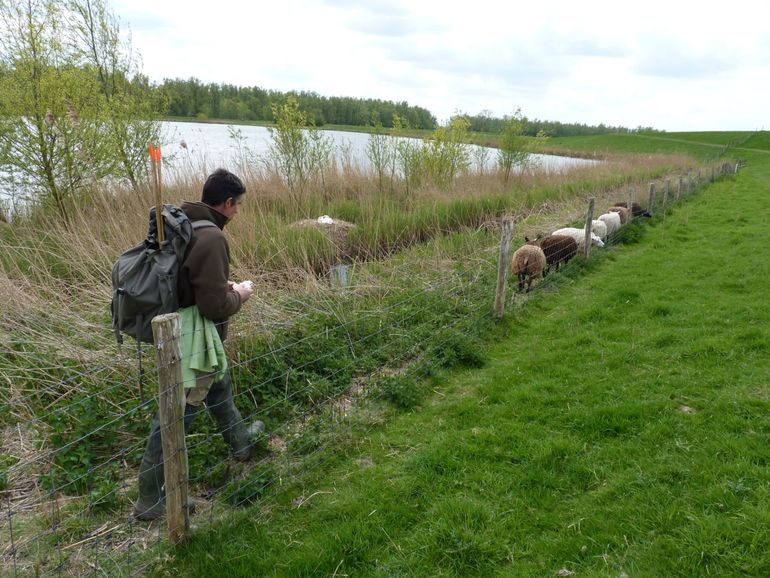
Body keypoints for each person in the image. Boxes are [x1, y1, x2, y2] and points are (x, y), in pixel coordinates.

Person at [133, 168, 255, 521]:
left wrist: (221, 284)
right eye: (238, 205)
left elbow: (188, 281)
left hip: (177, 328)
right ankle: (149, 500)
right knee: (175, 415)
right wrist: (241, 295)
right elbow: (213, 307)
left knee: (219, 386)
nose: (238, 212)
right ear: (228, 202)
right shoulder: (213, 237)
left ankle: (242, 445)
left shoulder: (182, 222)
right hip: (190, 337)